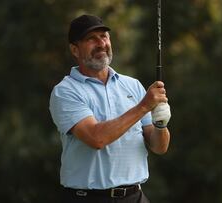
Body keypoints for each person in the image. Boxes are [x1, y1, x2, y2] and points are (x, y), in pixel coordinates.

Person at [49, 14, 171, 203]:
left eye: (104, 36)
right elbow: (96, 138)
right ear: (75, 49)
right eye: (91, 39)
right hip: (88, 198)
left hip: (135, 197)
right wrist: (144, 106)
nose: (100, 43)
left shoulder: (133, 86)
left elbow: (159, 146)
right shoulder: (65, 91)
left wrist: (161, 124)